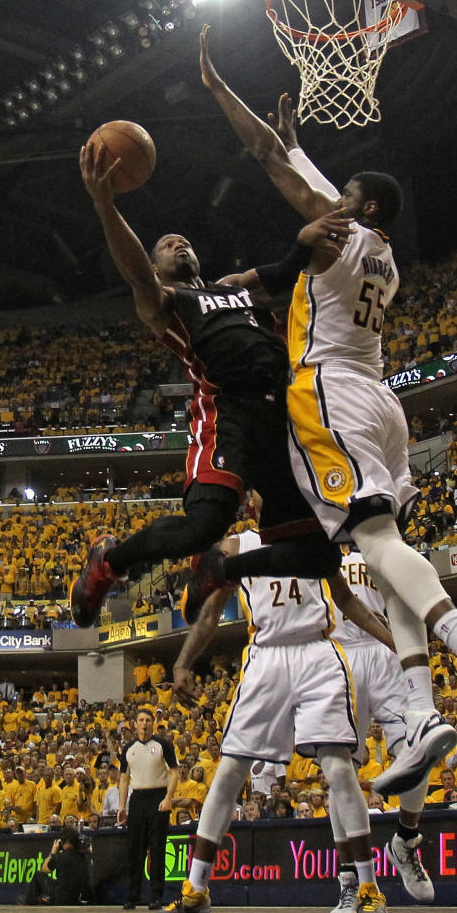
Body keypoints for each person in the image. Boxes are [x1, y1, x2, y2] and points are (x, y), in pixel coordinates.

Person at [190, 25, 457, 798]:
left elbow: (271, 160)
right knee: (382, 552)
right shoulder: (384, 253)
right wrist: (302, 147)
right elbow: (306, 171)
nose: (330, 200)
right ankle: (421, 715)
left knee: (371, 541)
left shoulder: (338, 236)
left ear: (359, 206)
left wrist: (217, 88)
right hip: (382, 400)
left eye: (343, 197)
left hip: (331, 391)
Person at [69, 139, 351, 628]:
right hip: (229, 413)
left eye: (186, 241)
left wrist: (305, 239)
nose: (180, 243)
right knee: (202, 527)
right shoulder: (166, 301)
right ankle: (108, 562)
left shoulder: (235, 286)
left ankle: (225, 568)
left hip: (284, 417)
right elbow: (136, 274)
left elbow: (287, 271)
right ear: (156, 266)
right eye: (167, 245)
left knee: (320, 558)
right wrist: (104, 205)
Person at [153, 520, 390, 913]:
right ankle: (196, 889)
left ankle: (369, 888)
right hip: (265, 656)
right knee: (229, 772)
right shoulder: (236, 545)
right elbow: (210, 613)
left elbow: (348, 601)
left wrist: (394, 642)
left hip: (318, 652)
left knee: (338, 768)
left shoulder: (314, 534)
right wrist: (182, 662)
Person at [327, 548, 435, 913]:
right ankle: (349, 881)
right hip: (338, 653)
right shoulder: (314, 547)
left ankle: (405, 838)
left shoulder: (376, 542)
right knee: (339, 770)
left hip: (383, 645)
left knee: (419, 745)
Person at [117, 707, 179, 910]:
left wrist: (168, 798)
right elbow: (124, 778)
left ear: (153, 723)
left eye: (148, 720)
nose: (144, 723)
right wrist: (121, 806)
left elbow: (174, 772)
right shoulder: (128, 749)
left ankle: (156, 894)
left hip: (158, 796)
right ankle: (133, 894)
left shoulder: (163, 745)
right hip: (138, 799)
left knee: (157, 848)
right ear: (135, 724)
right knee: (136, 849)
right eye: (141, 720)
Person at [25, 827, 90, 906]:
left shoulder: (61, 856)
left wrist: (53, 852)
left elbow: (44, 869)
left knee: (38, 875)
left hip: (61, 898)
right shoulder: (83, 856)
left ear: (63, 840)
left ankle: (31, 901)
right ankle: (43, 900)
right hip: (76, 898)